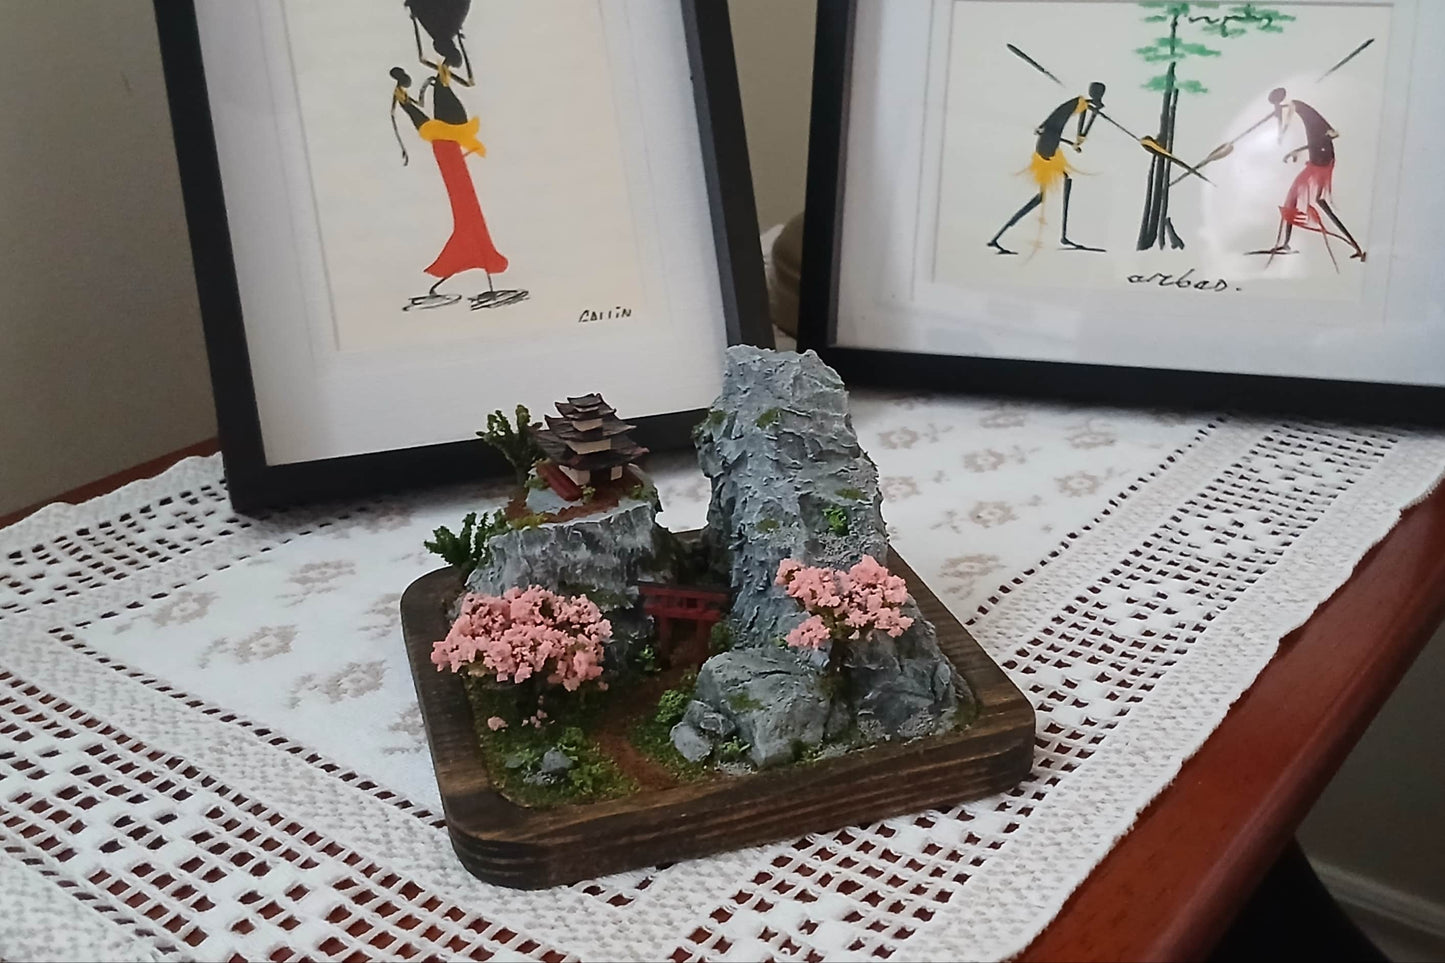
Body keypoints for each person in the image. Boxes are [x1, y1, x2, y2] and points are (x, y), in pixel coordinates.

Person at [988, 82, 1107, 256]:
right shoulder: (1081, 103)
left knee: (1056, 187)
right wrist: (1080, 137)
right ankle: (999, 237)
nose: (1099, 97)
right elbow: (1082, 126)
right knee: (1045, 194)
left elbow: (1055, 128)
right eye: (1099, 94)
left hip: (1048, 142)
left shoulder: (1078, 103)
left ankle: (1061, 236)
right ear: (1095, 93)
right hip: (1047, 146)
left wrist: (1077, 139)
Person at [1250, 87, 1366, 265]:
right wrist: (1294, 147)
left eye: (1276, 105)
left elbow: (1290, 126)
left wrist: (1285, 140)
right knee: (1296, 197)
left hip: (1321, 157)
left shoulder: (1294, 106)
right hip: (1319, 155)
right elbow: (1319, 136)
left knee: (1316, 201)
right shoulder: (1300, 107)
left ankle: (1355, 246)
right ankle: (1286, 243)